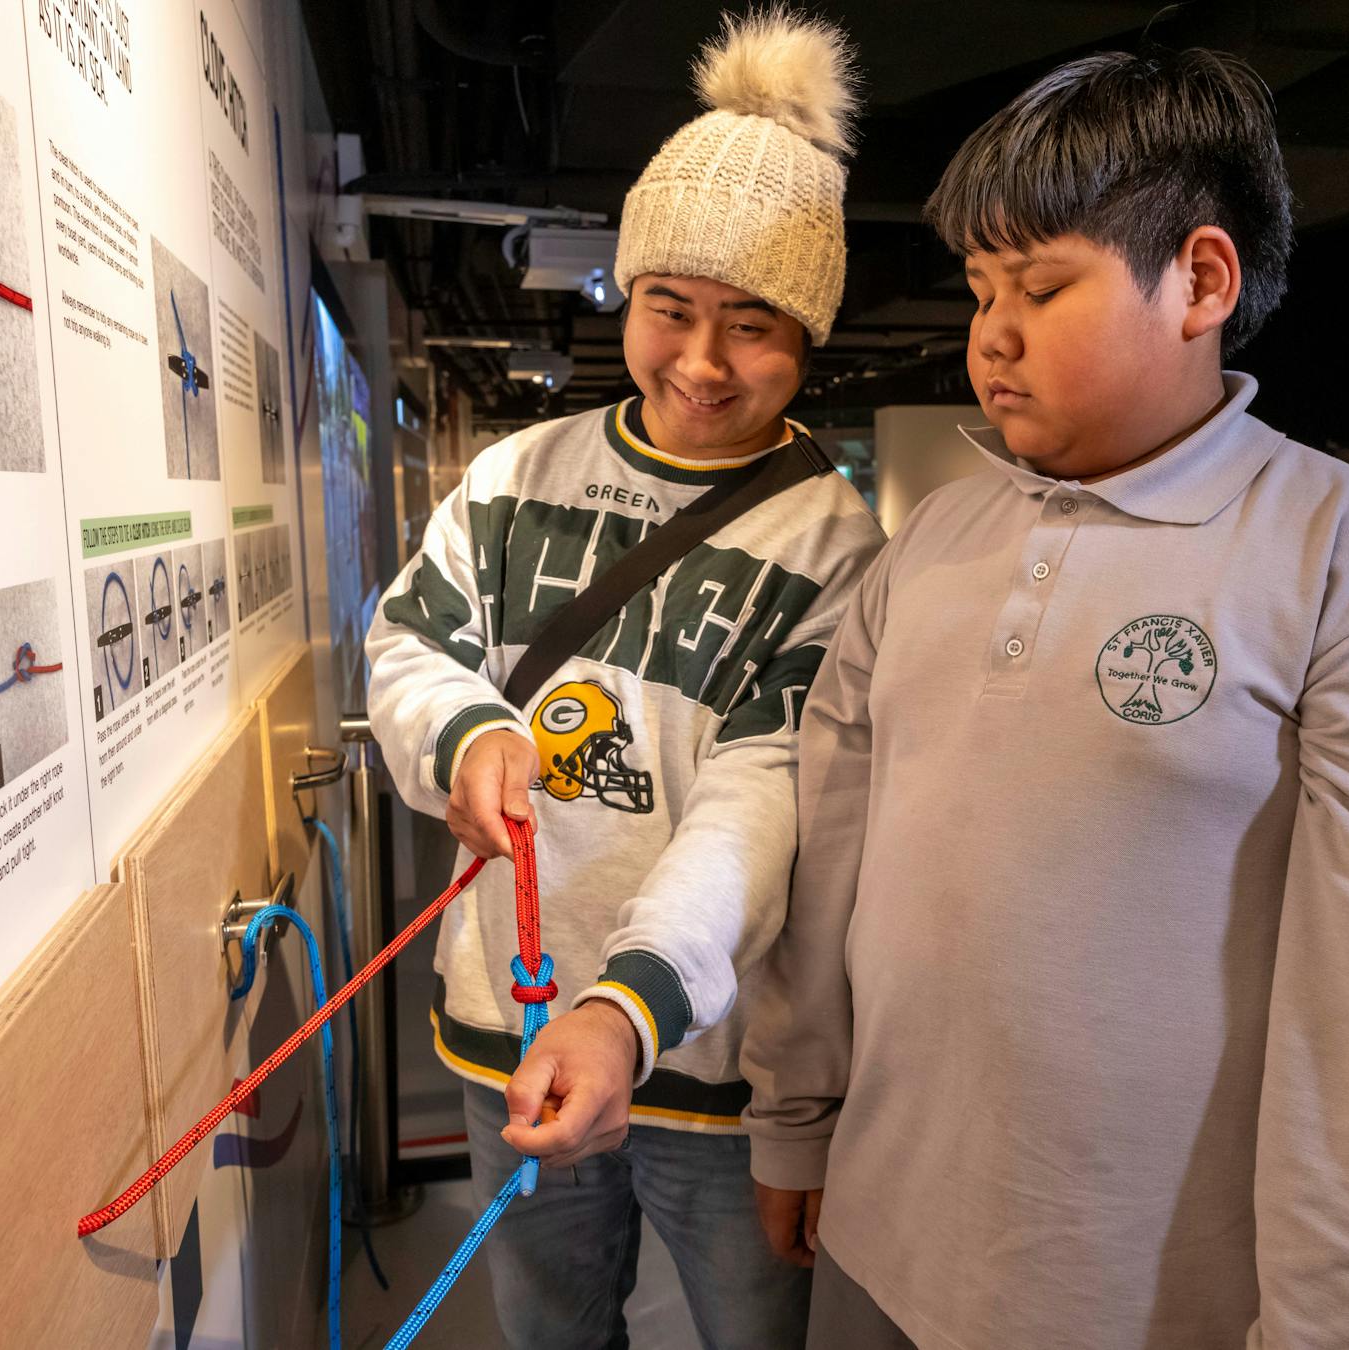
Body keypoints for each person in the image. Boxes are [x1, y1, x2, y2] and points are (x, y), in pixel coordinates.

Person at [742, 48, 1349, 1348]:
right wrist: (796, 1113)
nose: (991, 332)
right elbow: (834, 852)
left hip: (1146, 1305)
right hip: (874, 1242)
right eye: (983, 288)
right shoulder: (933, 539)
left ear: (1201, 282)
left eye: (1043, 286)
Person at [365, 11, 882, 1347]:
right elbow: (409, 645)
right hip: (505, 1035)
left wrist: (628, 1007)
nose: (702, 363)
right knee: (551, 1330)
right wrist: (467, 734)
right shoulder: (513, 477)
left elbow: (763, 802)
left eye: (751, 326)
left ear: (808, 338)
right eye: (672, 310)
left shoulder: (834, 547)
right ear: (632, 294)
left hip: (711, 1068)